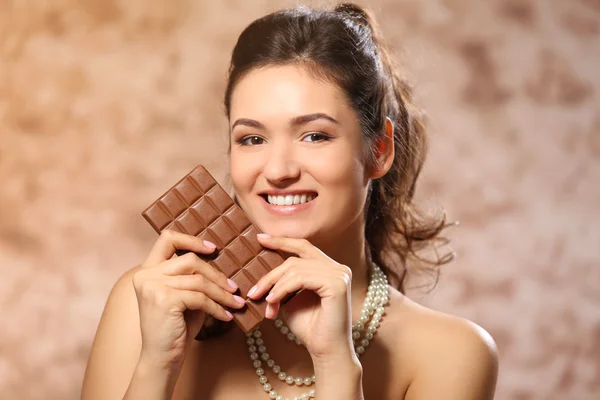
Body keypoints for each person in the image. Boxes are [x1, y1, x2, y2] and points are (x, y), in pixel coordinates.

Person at [81, 3, 498, 400]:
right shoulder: (148, 303)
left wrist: (336, 365)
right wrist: (158, 364)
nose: (278, 170)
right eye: (252, 139)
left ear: (380, 150)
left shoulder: (452, 353)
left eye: (315, 135)